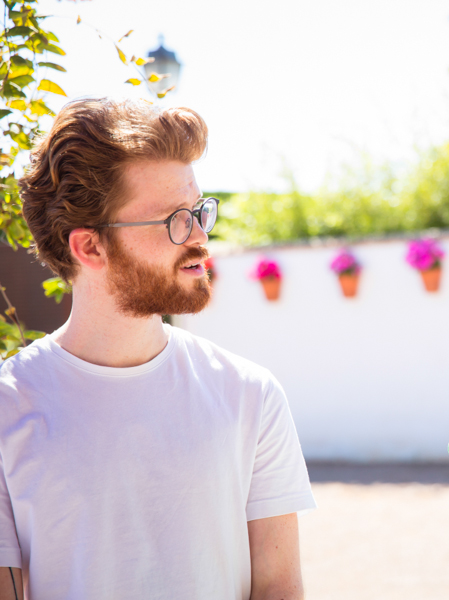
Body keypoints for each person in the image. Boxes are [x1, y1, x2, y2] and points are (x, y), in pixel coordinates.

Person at [0, 99, 316, 599]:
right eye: (173, 220)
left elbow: (279, 588)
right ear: (90, 247)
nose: (200, 237)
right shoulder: (8, 408)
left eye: (198, 211)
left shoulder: (249, 396)